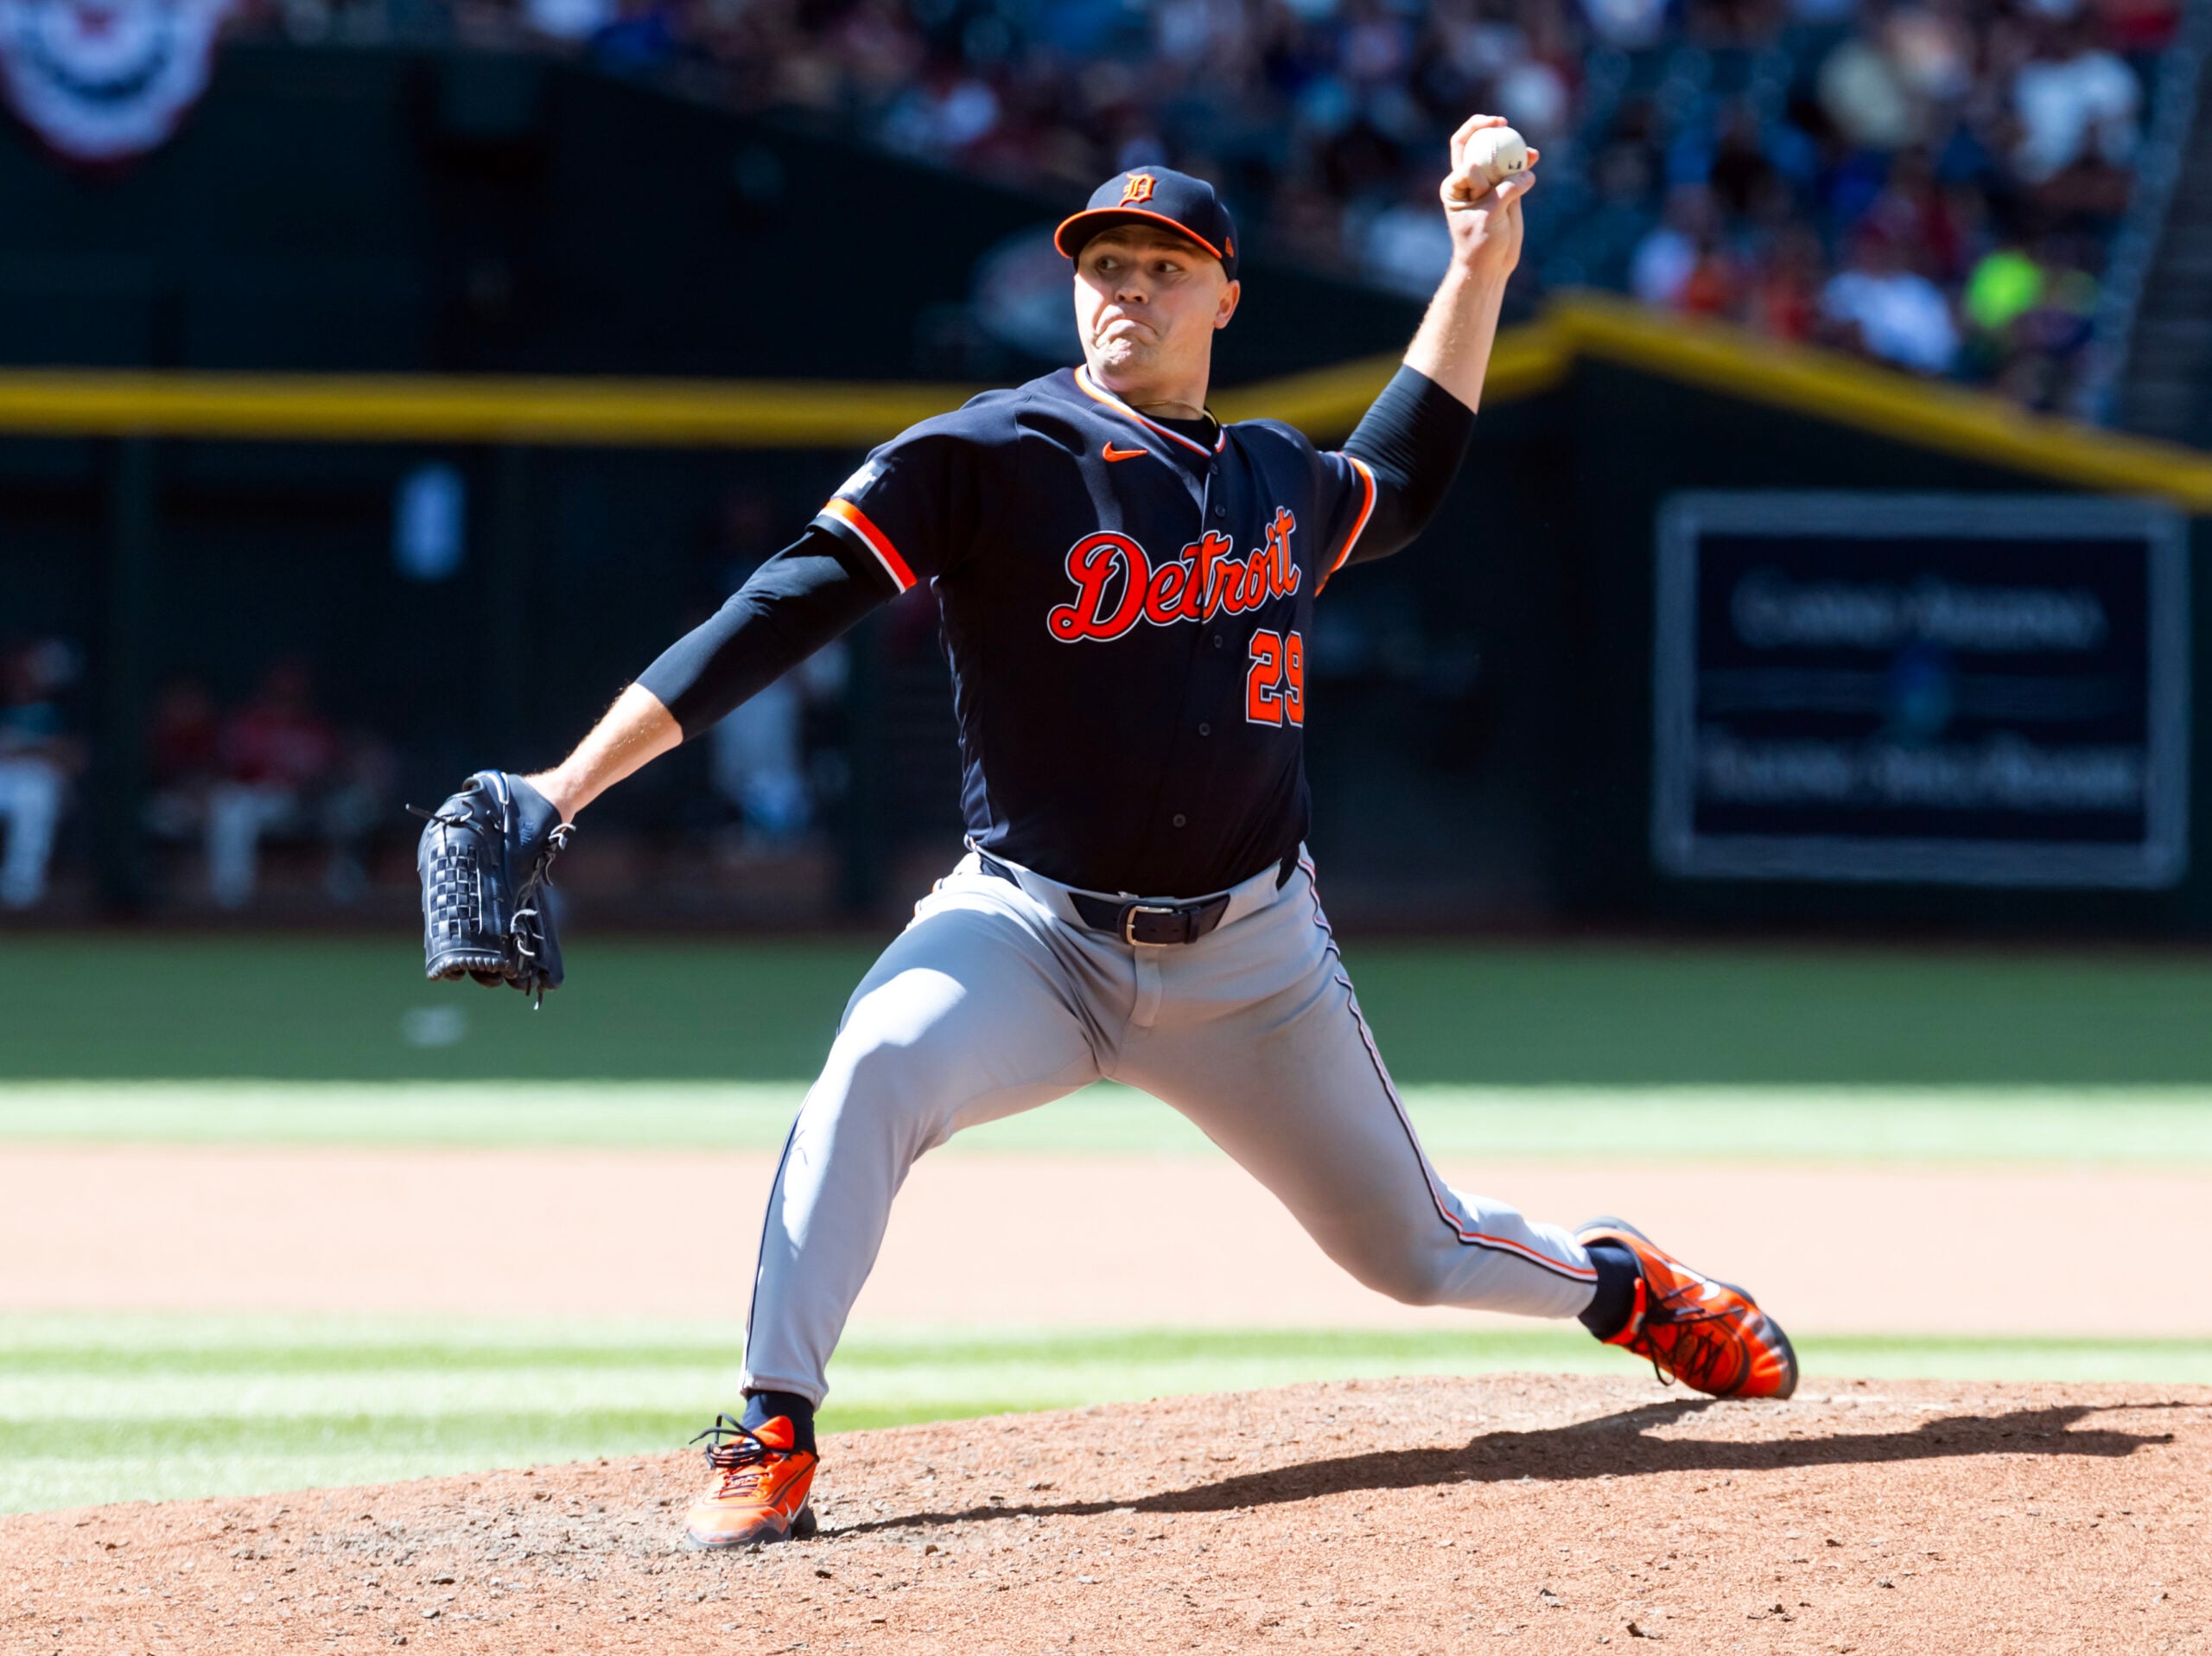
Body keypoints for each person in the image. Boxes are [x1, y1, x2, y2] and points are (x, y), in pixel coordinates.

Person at [501, 123, 1798, 1551]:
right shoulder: (985, 454)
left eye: (1163, 267)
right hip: (1030, 934)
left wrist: (1480, 261)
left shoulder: (1275, 480)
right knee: (873, 1063)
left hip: (1252, 958)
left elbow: (1408, 476)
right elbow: (782, 607)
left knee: (1416, 1253)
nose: (1127, 288)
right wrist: (565, 785)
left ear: (1226, 296)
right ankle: (773, 1427)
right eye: (1104, 265)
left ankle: (1629, 1293)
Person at [0, 640, 82, 911]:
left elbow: (72, 757)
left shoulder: (63, 710)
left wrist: (28, 750)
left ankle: (21, 888)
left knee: (34, 796)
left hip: (37, 780)